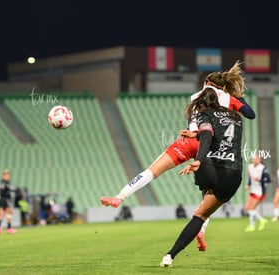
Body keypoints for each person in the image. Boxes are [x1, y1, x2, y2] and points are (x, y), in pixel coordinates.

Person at [101, 60, 255, 251]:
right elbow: (249, 114)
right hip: (210, 145)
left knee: (153, 171)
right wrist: (239, 98)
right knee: (210, 195)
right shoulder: (229, 99)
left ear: (206, 81)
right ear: (223, 86)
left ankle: (120, 196)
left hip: (188, 140)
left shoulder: (195, 96)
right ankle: (201, 229)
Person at [160, 87, 244, 267]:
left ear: (203, 104)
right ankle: (173, 253)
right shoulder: (236, 117)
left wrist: (198, 159)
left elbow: (207, 135)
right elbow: (220, 134)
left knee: (203, 191)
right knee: (201, 215)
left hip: (209, 167)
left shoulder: (204, 114)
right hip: (233, 173)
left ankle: (170, 256)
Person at [244, 154, 271, 232]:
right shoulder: (250, 167)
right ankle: (257, 223)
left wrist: (259, 180)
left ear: (259, 160)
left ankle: (257, 223)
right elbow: (250, 178)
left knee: (251, 209)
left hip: (260, 191)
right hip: (253, 190)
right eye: (253, 159)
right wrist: (248, 185)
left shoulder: (263, 169)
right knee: (248, 208)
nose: (254, 160)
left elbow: (268, 180)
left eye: (256, 159)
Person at [0, 169, 16, 234]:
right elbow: (1, 189)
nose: (7, 176)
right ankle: (9, 228)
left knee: (2, 214)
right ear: (4, 176)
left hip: (2, 199)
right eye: (6, 175)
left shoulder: (4, 182)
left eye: (8, 175)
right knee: (9, 213)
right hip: (5, 199)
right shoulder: (4, 183)